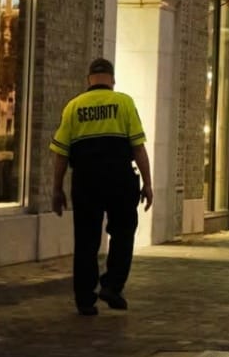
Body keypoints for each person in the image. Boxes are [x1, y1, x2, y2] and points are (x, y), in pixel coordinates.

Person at [50, 57, 154, 316]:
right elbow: (137, 147)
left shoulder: (73, 107)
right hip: (120, 179)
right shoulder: (124, 103)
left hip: (86, 181)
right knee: (123, 233)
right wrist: (148, 183)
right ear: (112, 79)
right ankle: (112, 286)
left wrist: (57, 188)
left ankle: (85, 298)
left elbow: (61, 153)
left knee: (86, 239)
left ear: (89, 79)